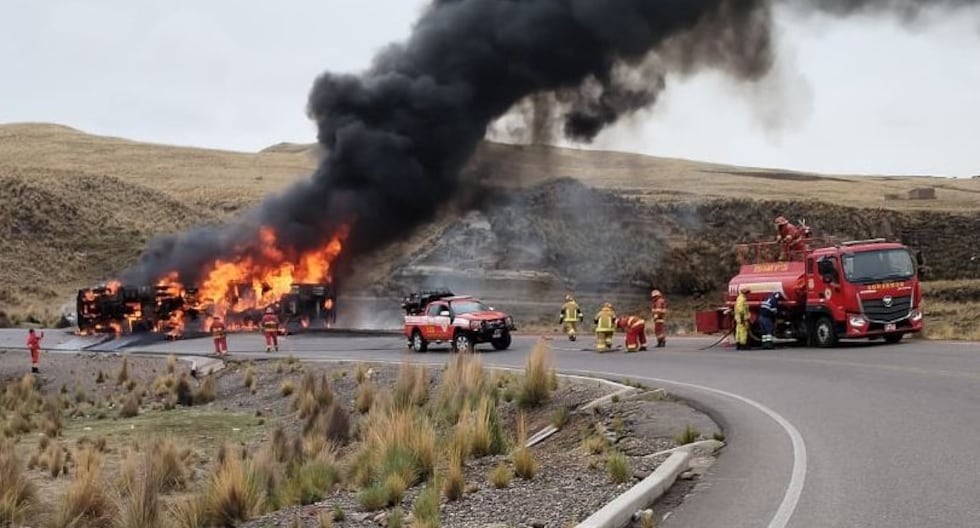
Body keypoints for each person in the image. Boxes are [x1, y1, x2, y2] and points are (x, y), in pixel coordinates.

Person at [734, 285, 751, 350]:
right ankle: (743, 345)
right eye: (748, 293)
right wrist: (742, 319)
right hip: (742, 318)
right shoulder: (742, 299)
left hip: (739, 318)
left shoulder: (739, 298)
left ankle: (738, 344)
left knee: (738, 330)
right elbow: (741, 309)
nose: (748, 294)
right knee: (743, 331)